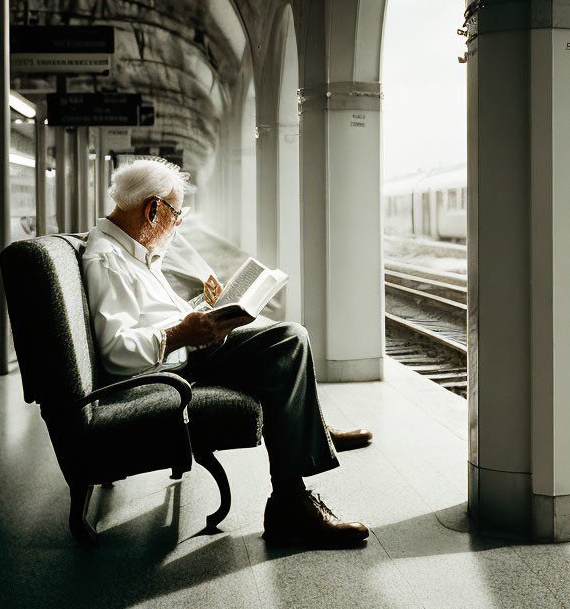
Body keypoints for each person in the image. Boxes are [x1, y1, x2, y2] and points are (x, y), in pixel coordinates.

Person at [81, 158, 370, 547]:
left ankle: (307, 429)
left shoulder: (128, 249)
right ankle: (290, 502)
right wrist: (183, 331)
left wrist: (200, 307)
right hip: (170, 370)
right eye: (176, 215)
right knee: (290, 338)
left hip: (181, 355)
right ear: (153, 209)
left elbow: (146, 315)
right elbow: (116, 351)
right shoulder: (106, 258)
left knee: (271, 333)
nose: (177, 224)